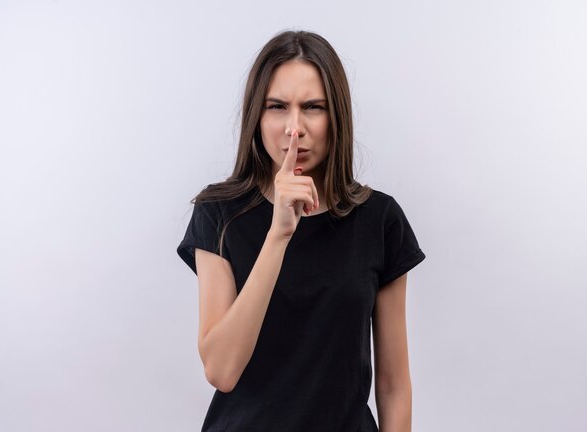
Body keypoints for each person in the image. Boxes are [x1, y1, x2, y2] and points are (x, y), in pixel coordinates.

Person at [177, 29, 426, 432]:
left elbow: (394, 386)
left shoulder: (379, 219)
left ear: (336, 116)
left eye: (313, 107)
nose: (295, 128)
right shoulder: (218, 213)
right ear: (257, 116)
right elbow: (222, 370)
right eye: (277, 107)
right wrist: (278, 235)